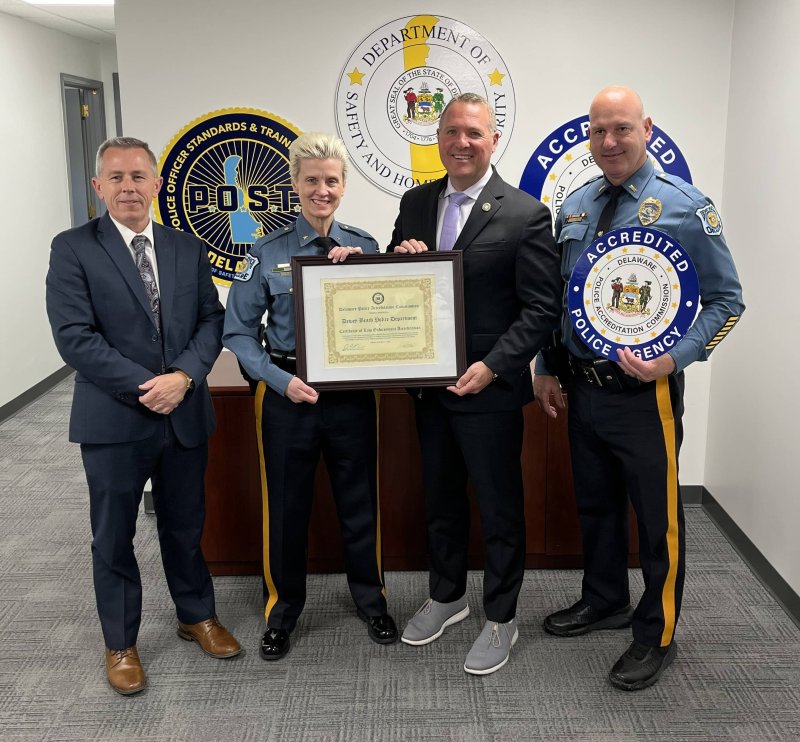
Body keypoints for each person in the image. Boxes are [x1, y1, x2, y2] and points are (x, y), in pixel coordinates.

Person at [534, 86, 745, 691]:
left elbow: (728, 301)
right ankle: (605, 599)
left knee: (658, 520)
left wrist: (673, 360)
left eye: (621, 128)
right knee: (596, 506)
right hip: (582, 388)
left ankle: (657, 631)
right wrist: (546, 366)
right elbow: (562, 299)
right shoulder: (576, 204)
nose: (609, 141)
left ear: (646, 129)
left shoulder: (684, 206)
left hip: (644, 396)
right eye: (599, 130)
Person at [45, 137, 241, 696]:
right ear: (98, 187)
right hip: (114, 419)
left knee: (185, 524)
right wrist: (146, 388)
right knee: (113, 535)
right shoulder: (73, 248)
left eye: (138, 176)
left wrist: (184, 377)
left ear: (156, 184)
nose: (128, 187)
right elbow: (74, 336)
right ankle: (121, 642)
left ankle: (196, 614)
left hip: (183, 412)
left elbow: (211, 320)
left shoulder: (186, 246)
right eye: (116, 177)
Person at [388, 93, 562, 675]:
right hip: (428, 387)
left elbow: (541, 309)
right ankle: (447, 596)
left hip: (489, 390)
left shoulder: (526, 214)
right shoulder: (415, 203)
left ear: (493, 140)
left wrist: (494, 366)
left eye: (473, 133)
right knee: (439, 500)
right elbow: (398, 281)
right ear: (438, 138)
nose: (461, 143)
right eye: (451, 132)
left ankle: (502, 615)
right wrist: (400, 255)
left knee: (499, 507)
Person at [223, 132, 397, 661]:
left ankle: (371, 600)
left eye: (332, 181)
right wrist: (279, 381)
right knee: (285, 509)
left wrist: (362, 273)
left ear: (344, 186)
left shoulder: (364, 247)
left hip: (351, 398)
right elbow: (237, 333)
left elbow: (390, 319)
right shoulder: (267, 252)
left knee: (360, 502)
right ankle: (281, 612)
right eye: (313, 180)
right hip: (287, 393)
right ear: (295, 184)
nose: (323, 190)